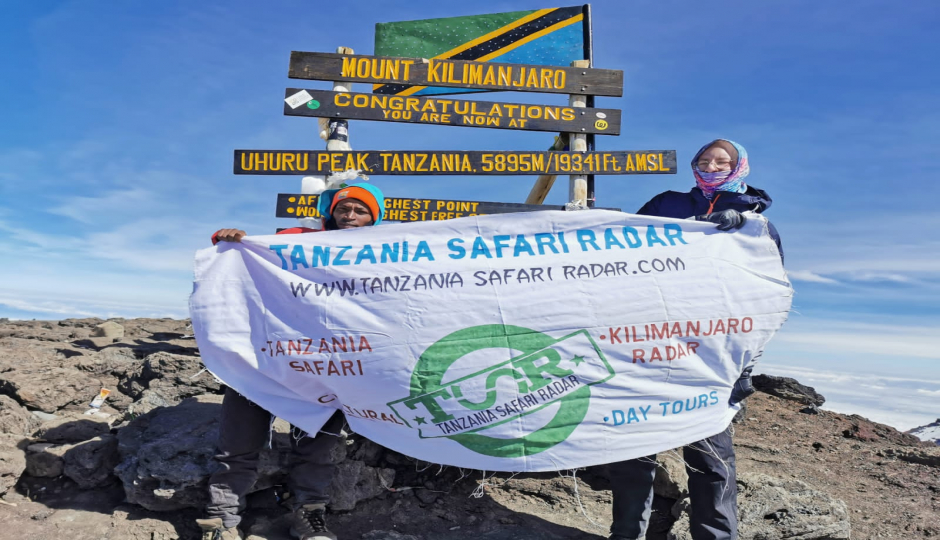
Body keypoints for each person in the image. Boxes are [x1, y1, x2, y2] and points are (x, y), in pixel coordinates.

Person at [607, 139, 782, 540]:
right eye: (704, 161)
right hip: (647, 345)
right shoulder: (665, 204)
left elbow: (765, 296)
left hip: (709, 356)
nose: (712, 166)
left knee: (711, 456)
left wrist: (746, 366)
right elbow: (617, 255)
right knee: (633, 448)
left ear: (741, 168)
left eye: (722, 162)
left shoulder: (757, 225)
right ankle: (626, 534)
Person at [196, 183, 386, 540]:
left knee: (317, 447)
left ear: (373, 218)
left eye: (360, 211)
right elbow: (252, 257)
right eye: (344, 209)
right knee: (238, 443)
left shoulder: (380, 252)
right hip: (266, 358)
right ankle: (221, 520)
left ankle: (308, 512)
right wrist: (227, 240)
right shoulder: (299, 239)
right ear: (331, 212)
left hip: (328, 367)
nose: (350, 216)